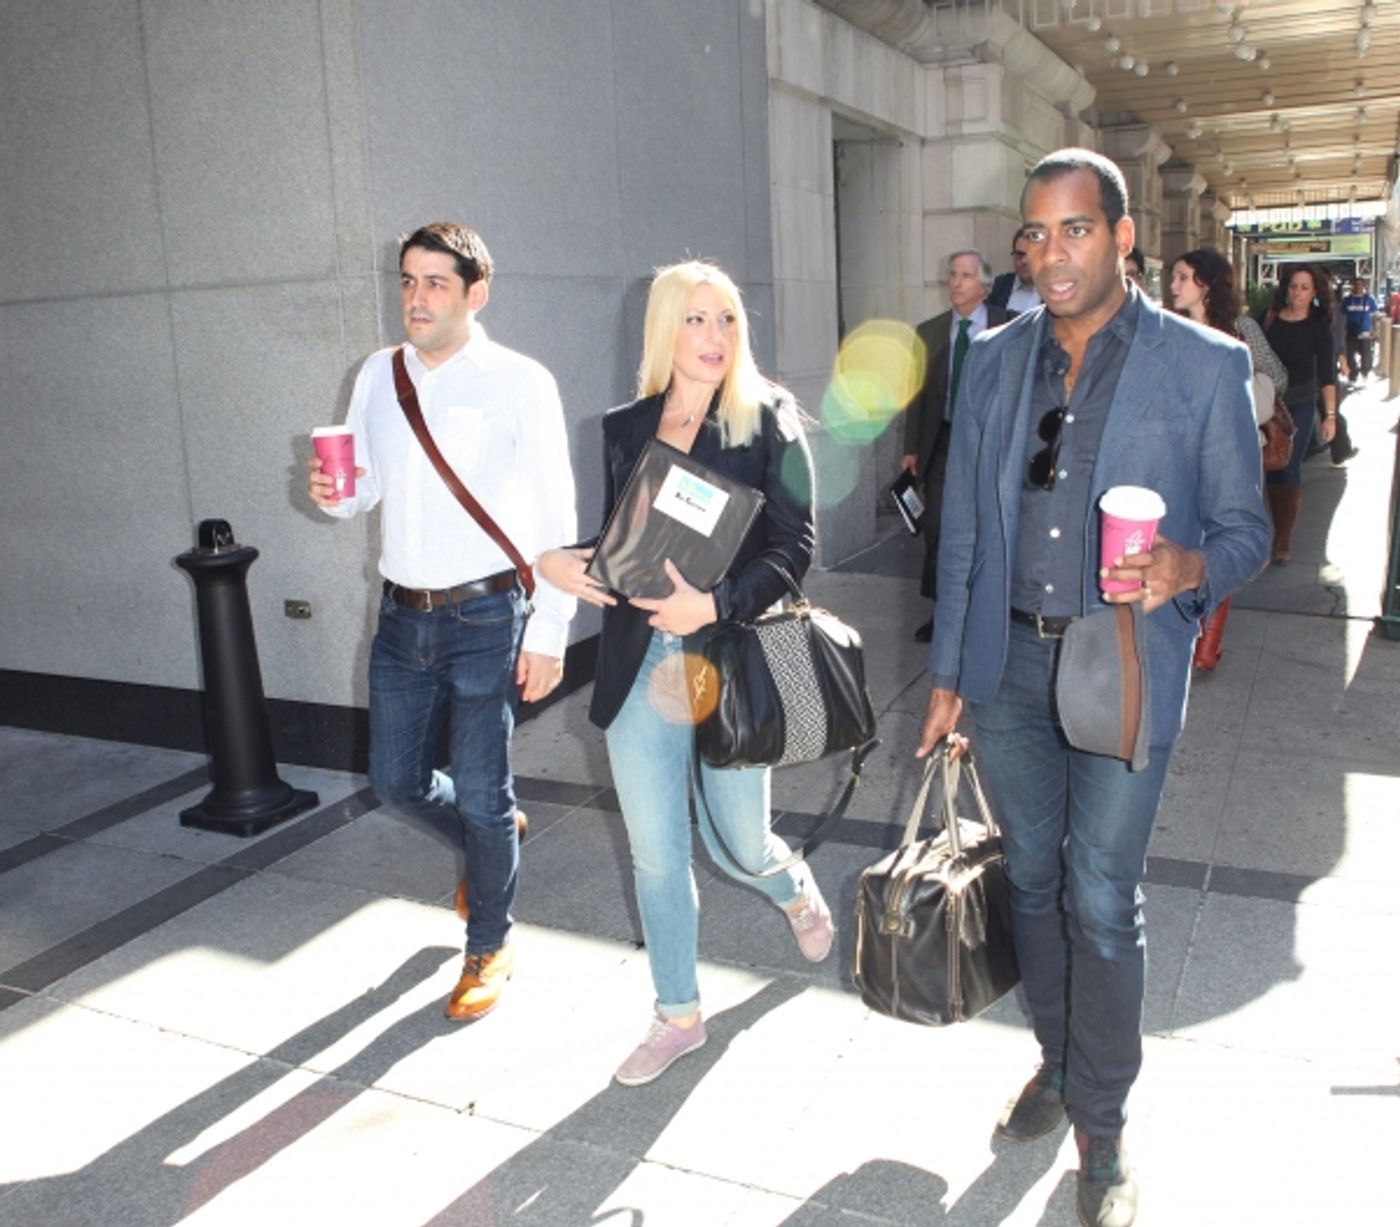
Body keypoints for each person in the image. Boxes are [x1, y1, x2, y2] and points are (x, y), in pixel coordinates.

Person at [916, 150, 1270, 1227]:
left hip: (1118, 662)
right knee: (1028, 883)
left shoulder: (1201, 366)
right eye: (1033, 233)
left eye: (1072, 230)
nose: (1048, 253)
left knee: (1098, 899)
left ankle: (1102, 1129)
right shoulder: (991, 358)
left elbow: (1245, 531)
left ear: (1120, 236)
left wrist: (1184, 568)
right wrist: (947, 676)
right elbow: (966, 525)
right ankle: (1057, 1064)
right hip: (1009, 665)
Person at [538, 260, 833, 1087]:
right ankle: (678, 1014)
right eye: (697, 320)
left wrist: (718, 603)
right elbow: (628, 540)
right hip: (642, 666)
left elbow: (795, 546)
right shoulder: (626, 425)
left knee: (739, 843)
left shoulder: (766, 419)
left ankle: (794, 888)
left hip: (727, 655)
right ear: (665, 329)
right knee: (659, 853)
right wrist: (560, 562)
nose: (714, 337)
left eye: (727, 320)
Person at [308, 222, 577, 1022]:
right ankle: (491, 831)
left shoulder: (519, 381)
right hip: (401, 614)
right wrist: (339, 497)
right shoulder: (376, 374)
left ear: (475, 293)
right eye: (407, 280)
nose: (416, 298)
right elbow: (364, 484)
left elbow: (558, 514)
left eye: (435, 282)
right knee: (393, 778)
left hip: (491, 613)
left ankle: (489, 941)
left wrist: (552, 631)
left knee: (486, 789)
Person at [1168, 249, 1287, 671]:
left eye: (1183, 277)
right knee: (1186, 539)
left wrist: (1235, 387)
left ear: (1206, 282)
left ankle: (1208, 643)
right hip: (1182, 452)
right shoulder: (1169, 330)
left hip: (1231, 449)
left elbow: (1277, 376)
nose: (1173, 286)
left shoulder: (1241, 330)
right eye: (1174, 277)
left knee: (1223, 540)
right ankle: (1190, 627)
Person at [902, 251, 1011, 641]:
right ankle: (943, 611)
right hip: (944, 440)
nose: (956, 282)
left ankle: (984, 610)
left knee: (988, 525)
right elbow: (916, 395)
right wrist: (912, 446)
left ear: (984, 286)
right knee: (938, 527)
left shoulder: (1011, 327)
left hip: (993, 442)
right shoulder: (929, 332)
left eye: (966, 276)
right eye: (952, 274)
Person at [1260, 265, 1338, 562]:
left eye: (1305, 287)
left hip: (1301, 403)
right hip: (1268, 403)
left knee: (1289, 464)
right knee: (1270, 465)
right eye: (1294, 286)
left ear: (1315, 292)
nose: (1298, 293)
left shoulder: (1318, 326)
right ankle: (1269, 530)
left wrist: (1330, 415)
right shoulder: (1268, 320)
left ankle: (1283, 538)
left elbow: (1327, 374)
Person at [989, 227, 1042, 314]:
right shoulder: (1000, 286)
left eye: (1031, 255)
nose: (1024, 261)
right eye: (1019, 254)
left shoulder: (1055, 291)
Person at [1340, 277, 1379, 379]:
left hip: (1365, 331)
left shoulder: (1370, 299)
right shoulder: (1347, 300)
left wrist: (1374, 329)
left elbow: (1374, 315)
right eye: (1356, 284)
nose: (1358, 286)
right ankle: (1353, 374)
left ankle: (1365, 372)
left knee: (1366, 353)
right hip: (1351, 331)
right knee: (1349, 353)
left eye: (1360, 284)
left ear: (1363, 286)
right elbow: (1342, 316)